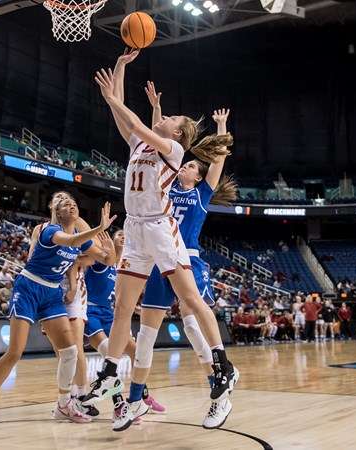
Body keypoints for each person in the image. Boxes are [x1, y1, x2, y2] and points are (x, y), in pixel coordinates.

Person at [86, 50, 237, 432]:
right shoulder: (142, 146)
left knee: (190, 306)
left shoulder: (175, 151)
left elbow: (134, 120)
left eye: (170, 118)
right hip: (136, 231)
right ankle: (111, 376)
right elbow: (127, 121)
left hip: (162, 231)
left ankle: (222, 366)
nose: (164, 117)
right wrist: (121, 66)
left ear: (178, 134)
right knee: (124, 309)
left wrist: (115, 99)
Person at [133, 97, 237, 425]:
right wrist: (154, 111)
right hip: (158, 255)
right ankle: (135, 399)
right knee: (147, 332)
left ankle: (219, 392)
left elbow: (217, 162)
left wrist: (221, 128)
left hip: (187, 257)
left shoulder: (202, 193)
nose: (187, 166)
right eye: (187, 163)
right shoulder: (165, 184)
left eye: (192, 166)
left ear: (198, 176)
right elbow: (150, 141)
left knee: (191, 322)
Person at [0, 198, 115, 431]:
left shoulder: (81, 237)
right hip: (28, 287)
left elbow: (108, 260)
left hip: (51, 293)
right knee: (15, 352)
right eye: (65, 203)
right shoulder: (51, 231)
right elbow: (70, 240)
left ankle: (63, 404)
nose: (71, 205)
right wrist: (98, 229)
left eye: (74, 203)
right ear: (57, 212)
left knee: (69, 351)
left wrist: (111, 251)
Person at [76, 229, 165, 415]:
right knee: (109, 353)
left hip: (111, 314)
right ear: (111, 240)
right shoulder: (102, 260)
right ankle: (118, 405)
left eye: (125, 235)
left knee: (136, 353)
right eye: (119, 235)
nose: (123, 236)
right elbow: (82, 257)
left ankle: (142, 395)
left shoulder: (126, 267)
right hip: (90, 311)